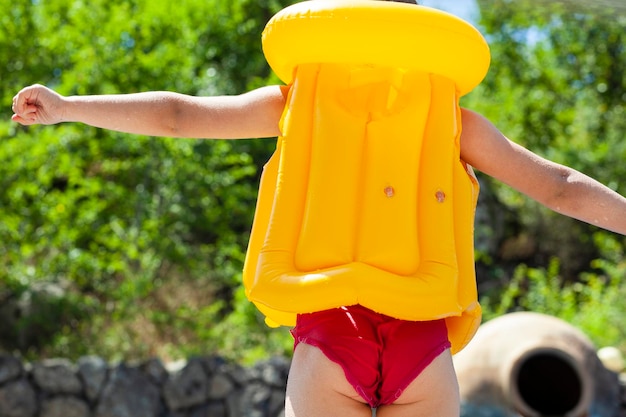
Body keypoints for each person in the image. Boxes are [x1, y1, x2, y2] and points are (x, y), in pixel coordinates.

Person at [10, 1, 626, 417]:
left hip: (333, 335)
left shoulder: (294, 104)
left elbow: (178, 114)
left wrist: (70, 105)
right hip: (421, 343)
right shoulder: (455, 124)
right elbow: (560, 185)